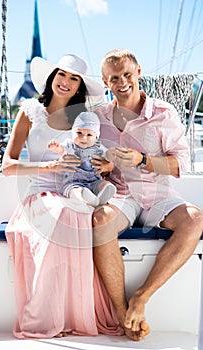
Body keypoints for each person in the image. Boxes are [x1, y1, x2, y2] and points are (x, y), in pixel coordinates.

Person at [2, 54, 123, 339]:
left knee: (79, 212)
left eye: (74, 78)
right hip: (39, 194)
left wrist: (107, 165)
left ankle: (74, 315)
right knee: (63, 214)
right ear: (52, 76)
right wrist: (49, 166)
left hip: (74, 191)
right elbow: (8, 166)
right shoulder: (30, 111)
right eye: (62, 75)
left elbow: (99, 153)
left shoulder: (83, 119)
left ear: (79, 85)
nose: (66, 83)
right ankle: (45, 318)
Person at [93, 48, 203, 341]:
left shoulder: (164, 113)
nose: (122, 82)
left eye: (127, 74)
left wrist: (143, 160)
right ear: (106, 82)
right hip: (121, 196)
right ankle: (121, 314)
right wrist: (102, 167)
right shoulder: (97, 117)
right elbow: (87, 159)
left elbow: (181, 164)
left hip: (158, 196)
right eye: (114, 78)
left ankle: (141, 298)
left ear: (138, 72)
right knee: (100, 220)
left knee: (195, 219)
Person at [48, 111, 116, 207]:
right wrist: (56, 147)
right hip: (74, 182)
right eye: (79, 133)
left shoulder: (98, 147)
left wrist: (111, 154)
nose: (83, 138)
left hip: (94, 180)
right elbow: (62, 150)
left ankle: (104, 193)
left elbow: (106, 156)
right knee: (74, 191)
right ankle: (86, 198)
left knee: (104, 184)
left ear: (96, 137)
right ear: (72, 133)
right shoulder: (70, 145)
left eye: (89, 135)